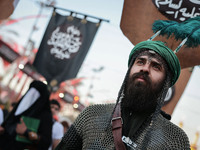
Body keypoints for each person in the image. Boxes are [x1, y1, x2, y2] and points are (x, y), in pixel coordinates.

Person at [55, 40, 190, 149]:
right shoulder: (92, 115)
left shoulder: (175, 140)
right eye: (140, 62)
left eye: (156, 66)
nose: (145, 68)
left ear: (165, 83)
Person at [0, 80, 53, 150]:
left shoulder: (45, 115)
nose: (31, 95)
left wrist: (27, 132)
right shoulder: (21, 105)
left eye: (35, 93)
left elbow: (46, 142)